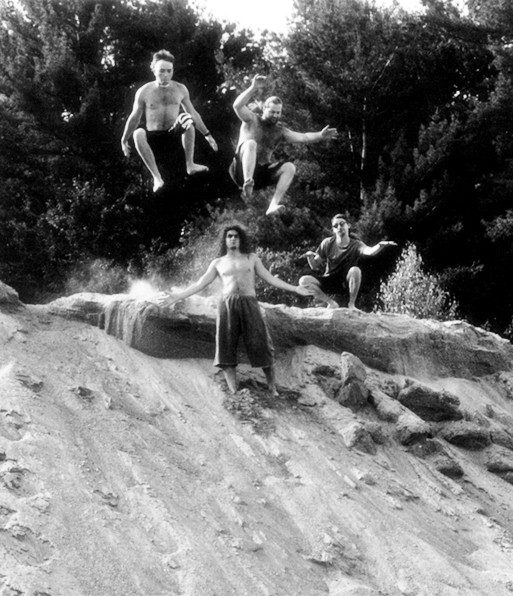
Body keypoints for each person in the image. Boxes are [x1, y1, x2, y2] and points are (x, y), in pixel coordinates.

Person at [156, 224, 313, 395]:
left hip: (249, 303)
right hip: (227, 304)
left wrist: (295, 289)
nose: (233, 239)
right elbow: (200, 284)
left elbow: (270, 278)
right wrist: (177, 296)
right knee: (226, 345)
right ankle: (233, 389)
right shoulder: (218, 263)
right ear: (225, 240)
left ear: (240, 239)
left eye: (236, 236)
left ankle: (272, 387)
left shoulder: (251, 258)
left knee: (261, 344)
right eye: (229, 236)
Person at [230, 75, 338, 215]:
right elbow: (237, 106)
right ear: (264, 109)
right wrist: (253, 88)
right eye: (272, 112)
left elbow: (304, 137)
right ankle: (247, 181)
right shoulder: (251, 119)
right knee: (251, 144)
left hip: (260, 174)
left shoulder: (280, 131)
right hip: (239, 169)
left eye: (278, 112)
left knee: (290, 167)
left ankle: (273, 204)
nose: (275, 115)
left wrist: (320, 135)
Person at [121, 49, 218, 192]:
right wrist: (124, 140)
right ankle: (157, 178)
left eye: (169, 71)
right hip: (153, 138)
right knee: (138, 133)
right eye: (161, 71)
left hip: (172, 134)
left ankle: (190, 165)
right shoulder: (144, 91)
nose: (166, 75)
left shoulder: (180, 89)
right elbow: (134, 117)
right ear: (154, 70)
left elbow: (193, 113)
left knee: (187, 118)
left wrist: (207, 135)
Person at [299, 214, 397, 310]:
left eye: (342, 224)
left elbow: (370, 251)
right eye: (335, 226)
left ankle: (351, 305)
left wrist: (380, 245)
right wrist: (309, 257)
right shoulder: (327, 243)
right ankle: (331, 303)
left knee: (355, 270)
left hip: (345, 282)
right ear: (333, 230)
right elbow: (314, 266)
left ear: (348, 225)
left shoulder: (356, 244)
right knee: (303, 281)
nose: (339, 227)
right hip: (329, 280)